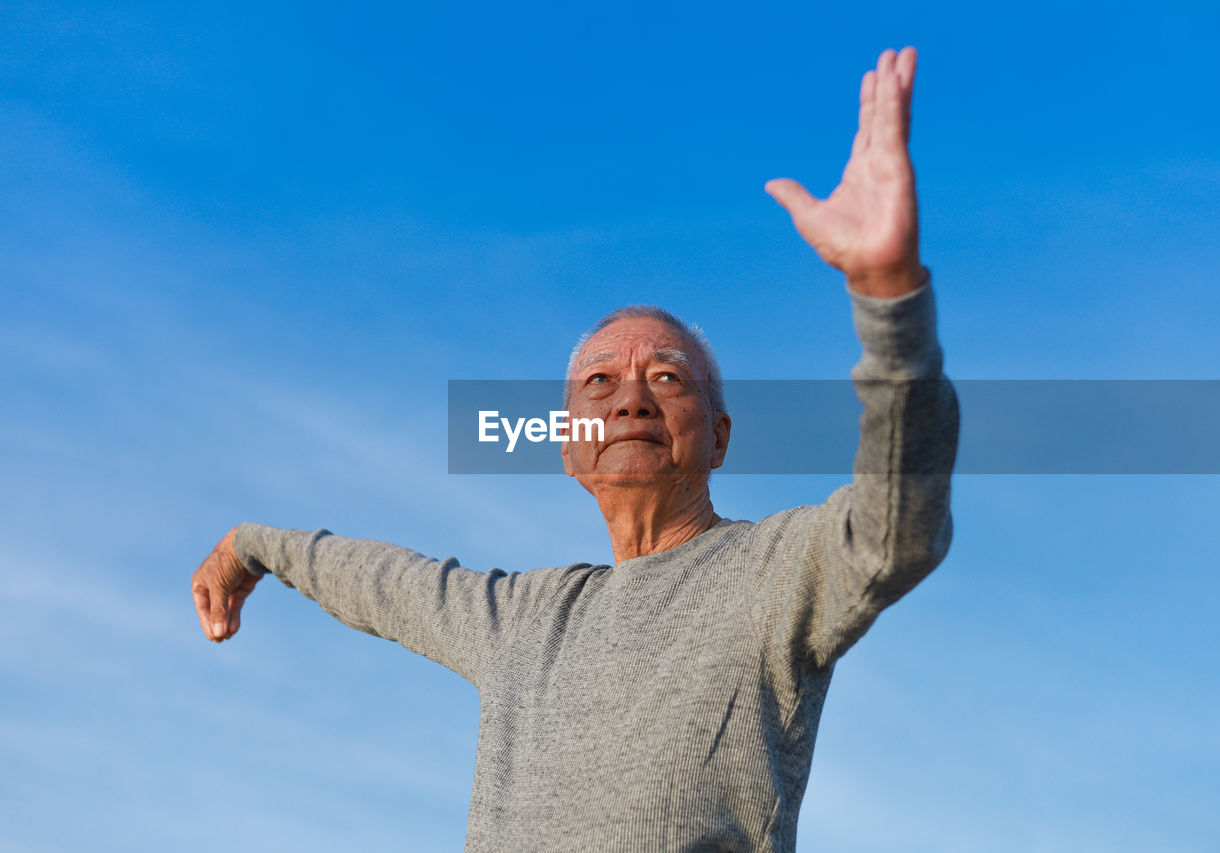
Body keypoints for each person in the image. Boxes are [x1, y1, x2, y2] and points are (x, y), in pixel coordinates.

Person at [191, 46, 958, 852]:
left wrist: (889, 296)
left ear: (719, 435)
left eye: (667, 376)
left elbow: (894, 526)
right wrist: (252, 546)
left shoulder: (774, 570)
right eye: (600, 382)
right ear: (567, 447)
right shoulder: (523, 617)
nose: (630, 396)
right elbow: (380, 579)